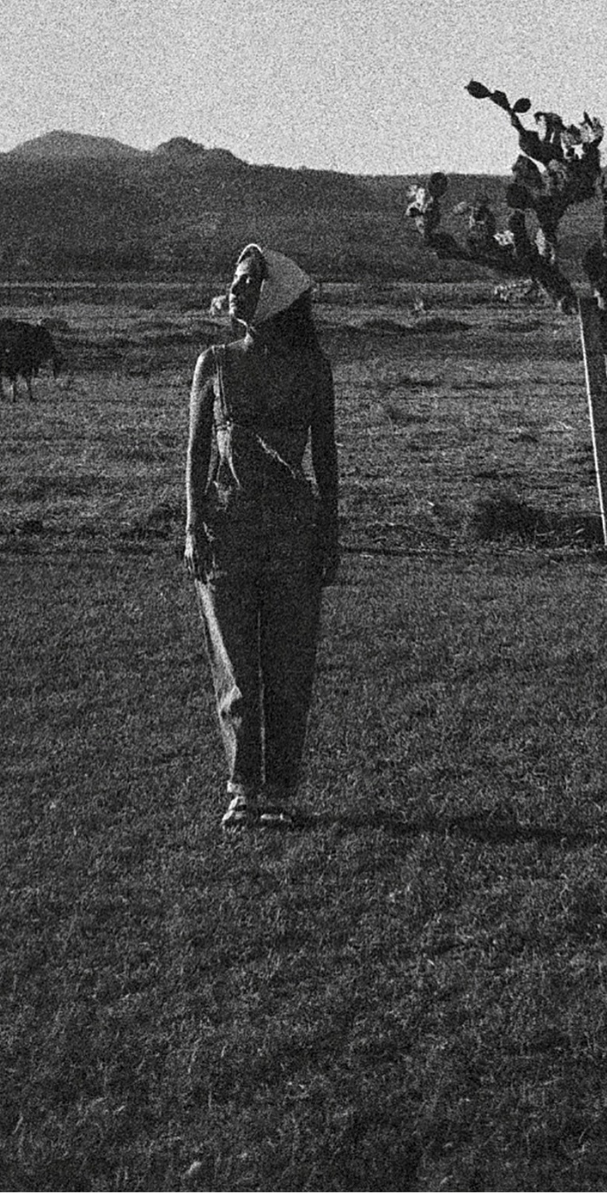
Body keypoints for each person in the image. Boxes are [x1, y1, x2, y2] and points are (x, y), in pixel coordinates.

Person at [185, 245, 339, 830]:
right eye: (236, 280)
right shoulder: (214, 364)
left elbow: (324, 454)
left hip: (294, 533)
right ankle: (243, 789)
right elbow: (197, 452)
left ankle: (284, 789)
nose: (237, 289)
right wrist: (192, 526)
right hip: (228, 530)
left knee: (289, 667)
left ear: (277, 296)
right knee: (238, 671)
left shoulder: (312, 369)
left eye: (250, 281)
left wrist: (331, 531)